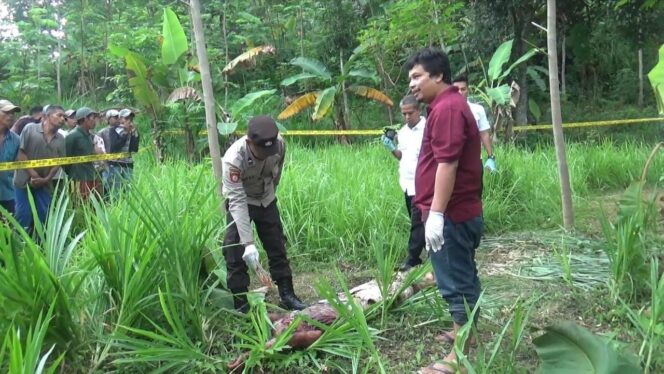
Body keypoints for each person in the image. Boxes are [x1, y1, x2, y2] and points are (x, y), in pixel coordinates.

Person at [406, 47, 484, 374]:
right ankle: (466, 334)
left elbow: (447, 163)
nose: (412, 84)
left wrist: (436, 214)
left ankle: (460, 356)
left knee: (454, 279)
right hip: (453, 210)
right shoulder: (444, 105)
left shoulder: (449, 108)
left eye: (417, 76)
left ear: (438, 75)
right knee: (461, 272)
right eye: (410, 78)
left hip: (451, 213)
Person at [221, 115, 306, 313]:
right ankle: (241, 304)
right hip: (241, 201)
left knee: (276, 243)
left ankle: (287, 294)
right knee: (234, 250)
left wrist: (269, 199)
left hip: (266, 196)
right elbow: (237, 200)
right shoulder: (234, 160)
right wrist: (248, 243)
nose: (268, 154)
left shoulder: (279, 145)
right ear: (249, 142)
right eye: (262, 150)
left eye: (271, 149)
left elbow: (277, 176)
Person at [380, 95, 426, 271]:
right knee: (418, 221)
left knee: (418, 221)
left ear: (418, 110)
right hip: (406, 183)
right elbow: (402, 156)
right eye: (404, 114)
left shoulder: (428, 128)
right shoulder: (403, 132)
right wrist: (391, 147)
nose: (407, 117)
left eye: (410, 113)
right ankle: (428, 254)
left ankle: (413, 258)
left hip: (422, 183)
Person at [13, 105, 66, 232]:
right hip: (23, 182)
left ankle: (42, 245)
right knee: (23, 214)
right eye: (59, 115)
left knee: (45, 214)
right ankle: (20, 246)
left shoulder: (61, 139)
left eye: (64, 116)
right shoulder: (30, 129)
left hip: (44, 184)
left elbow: (59, 161)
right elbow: (21, 153)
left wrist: (46, 179)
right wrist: (34, 175)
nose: (63, 119)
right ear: (46, 116)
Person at [452, 76, 496, 172]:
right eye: (456, 90)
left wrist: (490, 156)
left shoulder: (478, 109)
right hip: (452, 161)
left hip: (474, 159)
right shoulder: (446, 111)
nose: (460, 92)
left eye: (463, 89)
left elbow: (484, 133)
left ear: (468, 90)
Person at [65, 107, 102, 200]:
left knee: (94, 204)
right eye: (93, 118)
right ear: (85, 119)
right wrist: (74, 171)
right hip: (78, 178)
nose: (95, 121)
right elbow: (65, 160)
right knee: (79, 205)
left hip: (91, 175)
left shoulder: (89, 136)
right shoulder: (72, 136)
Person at [105, 109, 138, 198]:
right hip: (116, 164)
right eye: (126, 118)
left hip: (128, 164)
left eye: (130, 119)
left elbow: (134, 149)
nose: (129, 121)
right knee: (116, 191)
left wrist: (134, 135)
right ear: (120, 119)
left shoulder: (133, 131)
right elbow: (115, 146)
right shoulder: (114, 130)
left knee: (129, 191)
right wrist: (126, 133)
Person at [0, 100, 21, 216]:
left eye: (13, 113)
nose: (11, 116)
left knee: (7, 229)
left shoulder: (16, 140)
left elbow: (19, 166)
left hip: (8, 194)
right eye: (7, 112)